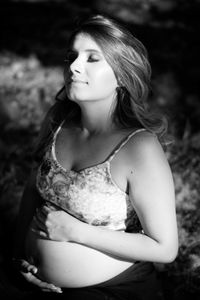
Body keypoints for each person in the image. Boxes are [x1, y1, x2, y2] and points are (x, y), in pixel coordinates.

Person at [9, 13, 178, 300]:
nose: (73, 67)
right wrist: (17, 256)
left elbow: (165, 248)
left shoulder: (138, 147)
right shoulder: (59, 123)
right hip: (34, 281)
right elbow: (31, 192)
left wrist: (77, 233)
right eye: (72, 56)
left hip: (112, 291)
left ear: (122, 75)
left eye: (92, 58)